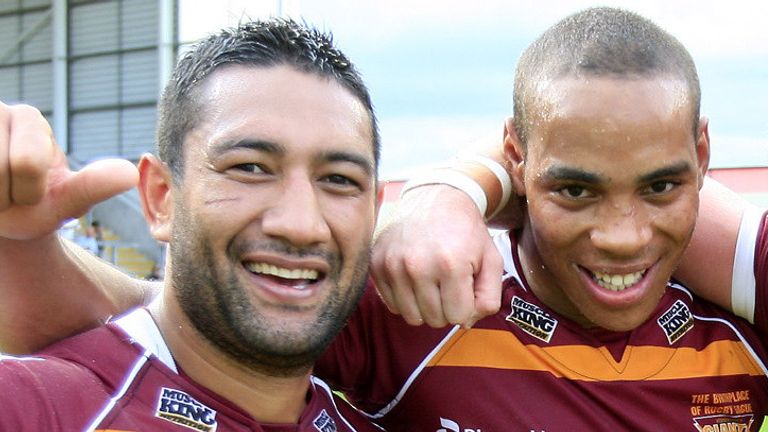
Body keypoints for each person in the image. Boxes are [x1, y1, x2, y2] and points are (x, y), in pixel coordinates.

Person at [0, 7, 766, 431]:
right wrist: (21, 245)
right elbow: (195, 335)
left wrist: (452, 189)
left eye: (662, 186)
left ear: (703, 155)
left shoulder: (741, 333)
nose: (623, 234)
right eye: (573, 191)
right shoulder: (423, 303)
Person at [0, 18, 383, 431]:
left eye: (340, 180)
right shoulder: (34, 408)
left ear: (375, 211)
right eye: (250, 167)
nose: (301, 225)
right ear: (161, 197)